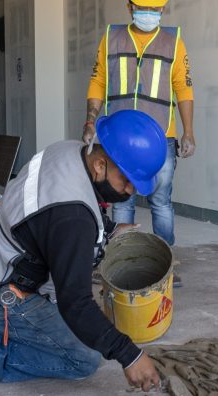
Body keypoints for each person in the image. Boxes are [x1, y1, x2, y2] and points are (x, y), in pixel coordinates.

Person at [0, 110, 164, 392]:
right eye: (126, 180)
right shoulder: (72, 218)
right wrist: (130, 355)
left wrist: (107, 229)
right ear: (100, 165)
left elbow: (60, 211)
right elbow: (76, 303)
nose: (130, 191)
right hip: (2, 290)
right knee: (84, 357)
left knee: (87, 329)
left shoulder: (70, 151)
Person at [83, 0, 195, 287]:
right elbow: (98, 81)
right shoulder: (112, 38)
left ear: (163, 10)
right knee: (122, 201)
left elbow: (183, 88)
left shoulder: (173, 42)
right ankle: (117, 265)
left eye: (155, 9)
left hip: (160, 139)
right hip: (120, 140)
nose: (149, 14)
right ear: (129, 7)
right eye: (143, 7)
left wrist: (188, 131)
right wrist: (91, 120)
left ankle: (166, 268)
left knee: (161, 202)